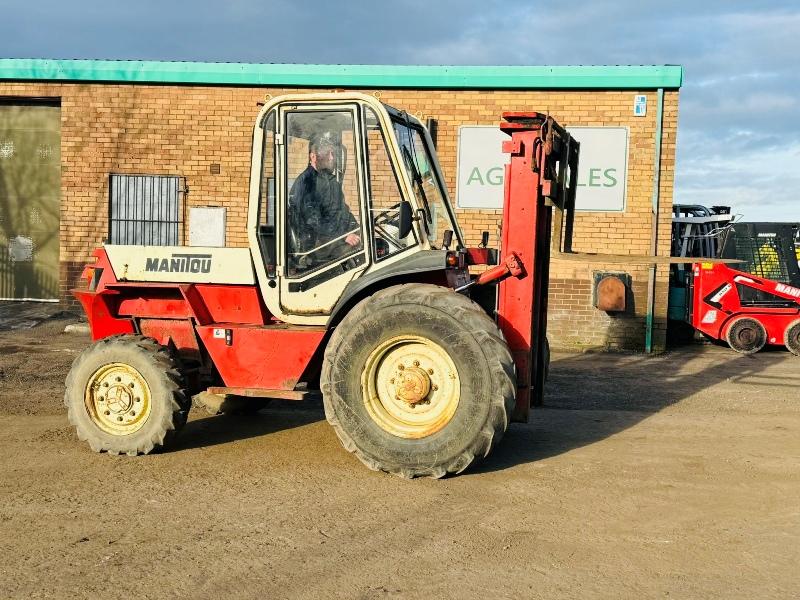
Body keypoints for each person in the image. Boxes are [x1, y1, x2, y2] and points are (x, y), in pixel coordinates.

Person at [288, 132, 361, 270]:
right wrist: (343, 236)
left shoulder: (329, 181)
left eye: (333, 154)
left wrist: (357, 229)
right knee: (358, 256)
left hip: (331, 239)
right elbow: (313, 221)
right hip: (316, 245)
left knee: (371, 245)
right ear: (313, 156)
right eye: (328, 154)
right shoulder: (307, 183)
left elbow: (342, 211)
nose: (332, 158)